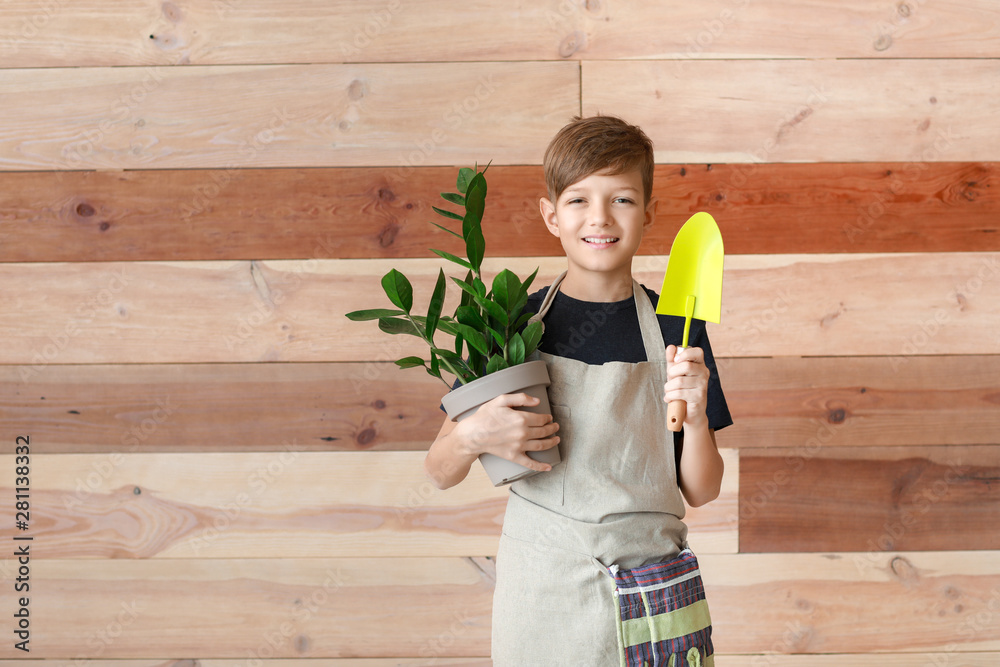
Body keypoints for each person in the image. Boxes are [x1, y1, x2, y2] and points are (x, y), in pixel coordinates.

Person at [424, 115, 732, 666]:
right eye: (578, 200)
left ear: (649, 213)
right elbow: (440, 469)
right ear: (550, 215)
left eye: (622, 200)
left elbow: (702, 490)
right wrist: (474, 434)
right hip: (545, 590)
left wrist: (700, 415)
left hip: (652, 584)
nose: (600, 218)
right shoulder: (512, 323)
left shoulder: (676, 329)